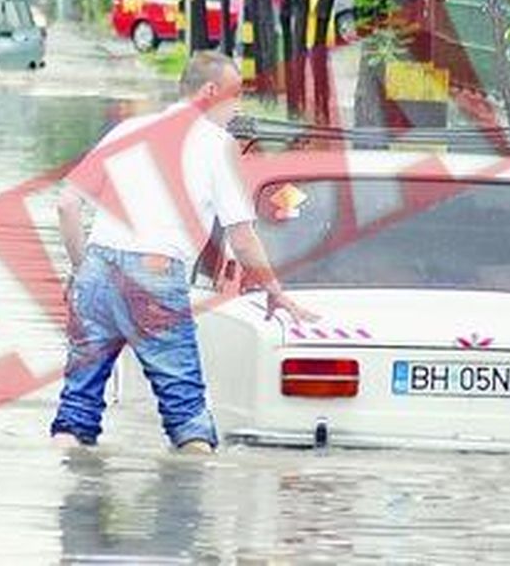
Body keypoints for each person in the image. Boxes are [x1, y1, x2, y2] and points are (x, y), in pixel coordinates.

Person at [49, 51, 316, 453]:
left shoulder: (128, 129)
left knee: (76, 410)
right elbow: (242, 238)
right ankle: (192, 509)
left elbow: (67, 204)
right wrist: (275, 291)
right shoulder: (217, 145)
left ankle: (66, 489)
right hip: (156, 271)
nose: (238, 105)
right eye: (235, 93)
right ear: (210, 92)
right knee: (186, 414)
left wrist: (81, 268)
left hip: (98, 266)